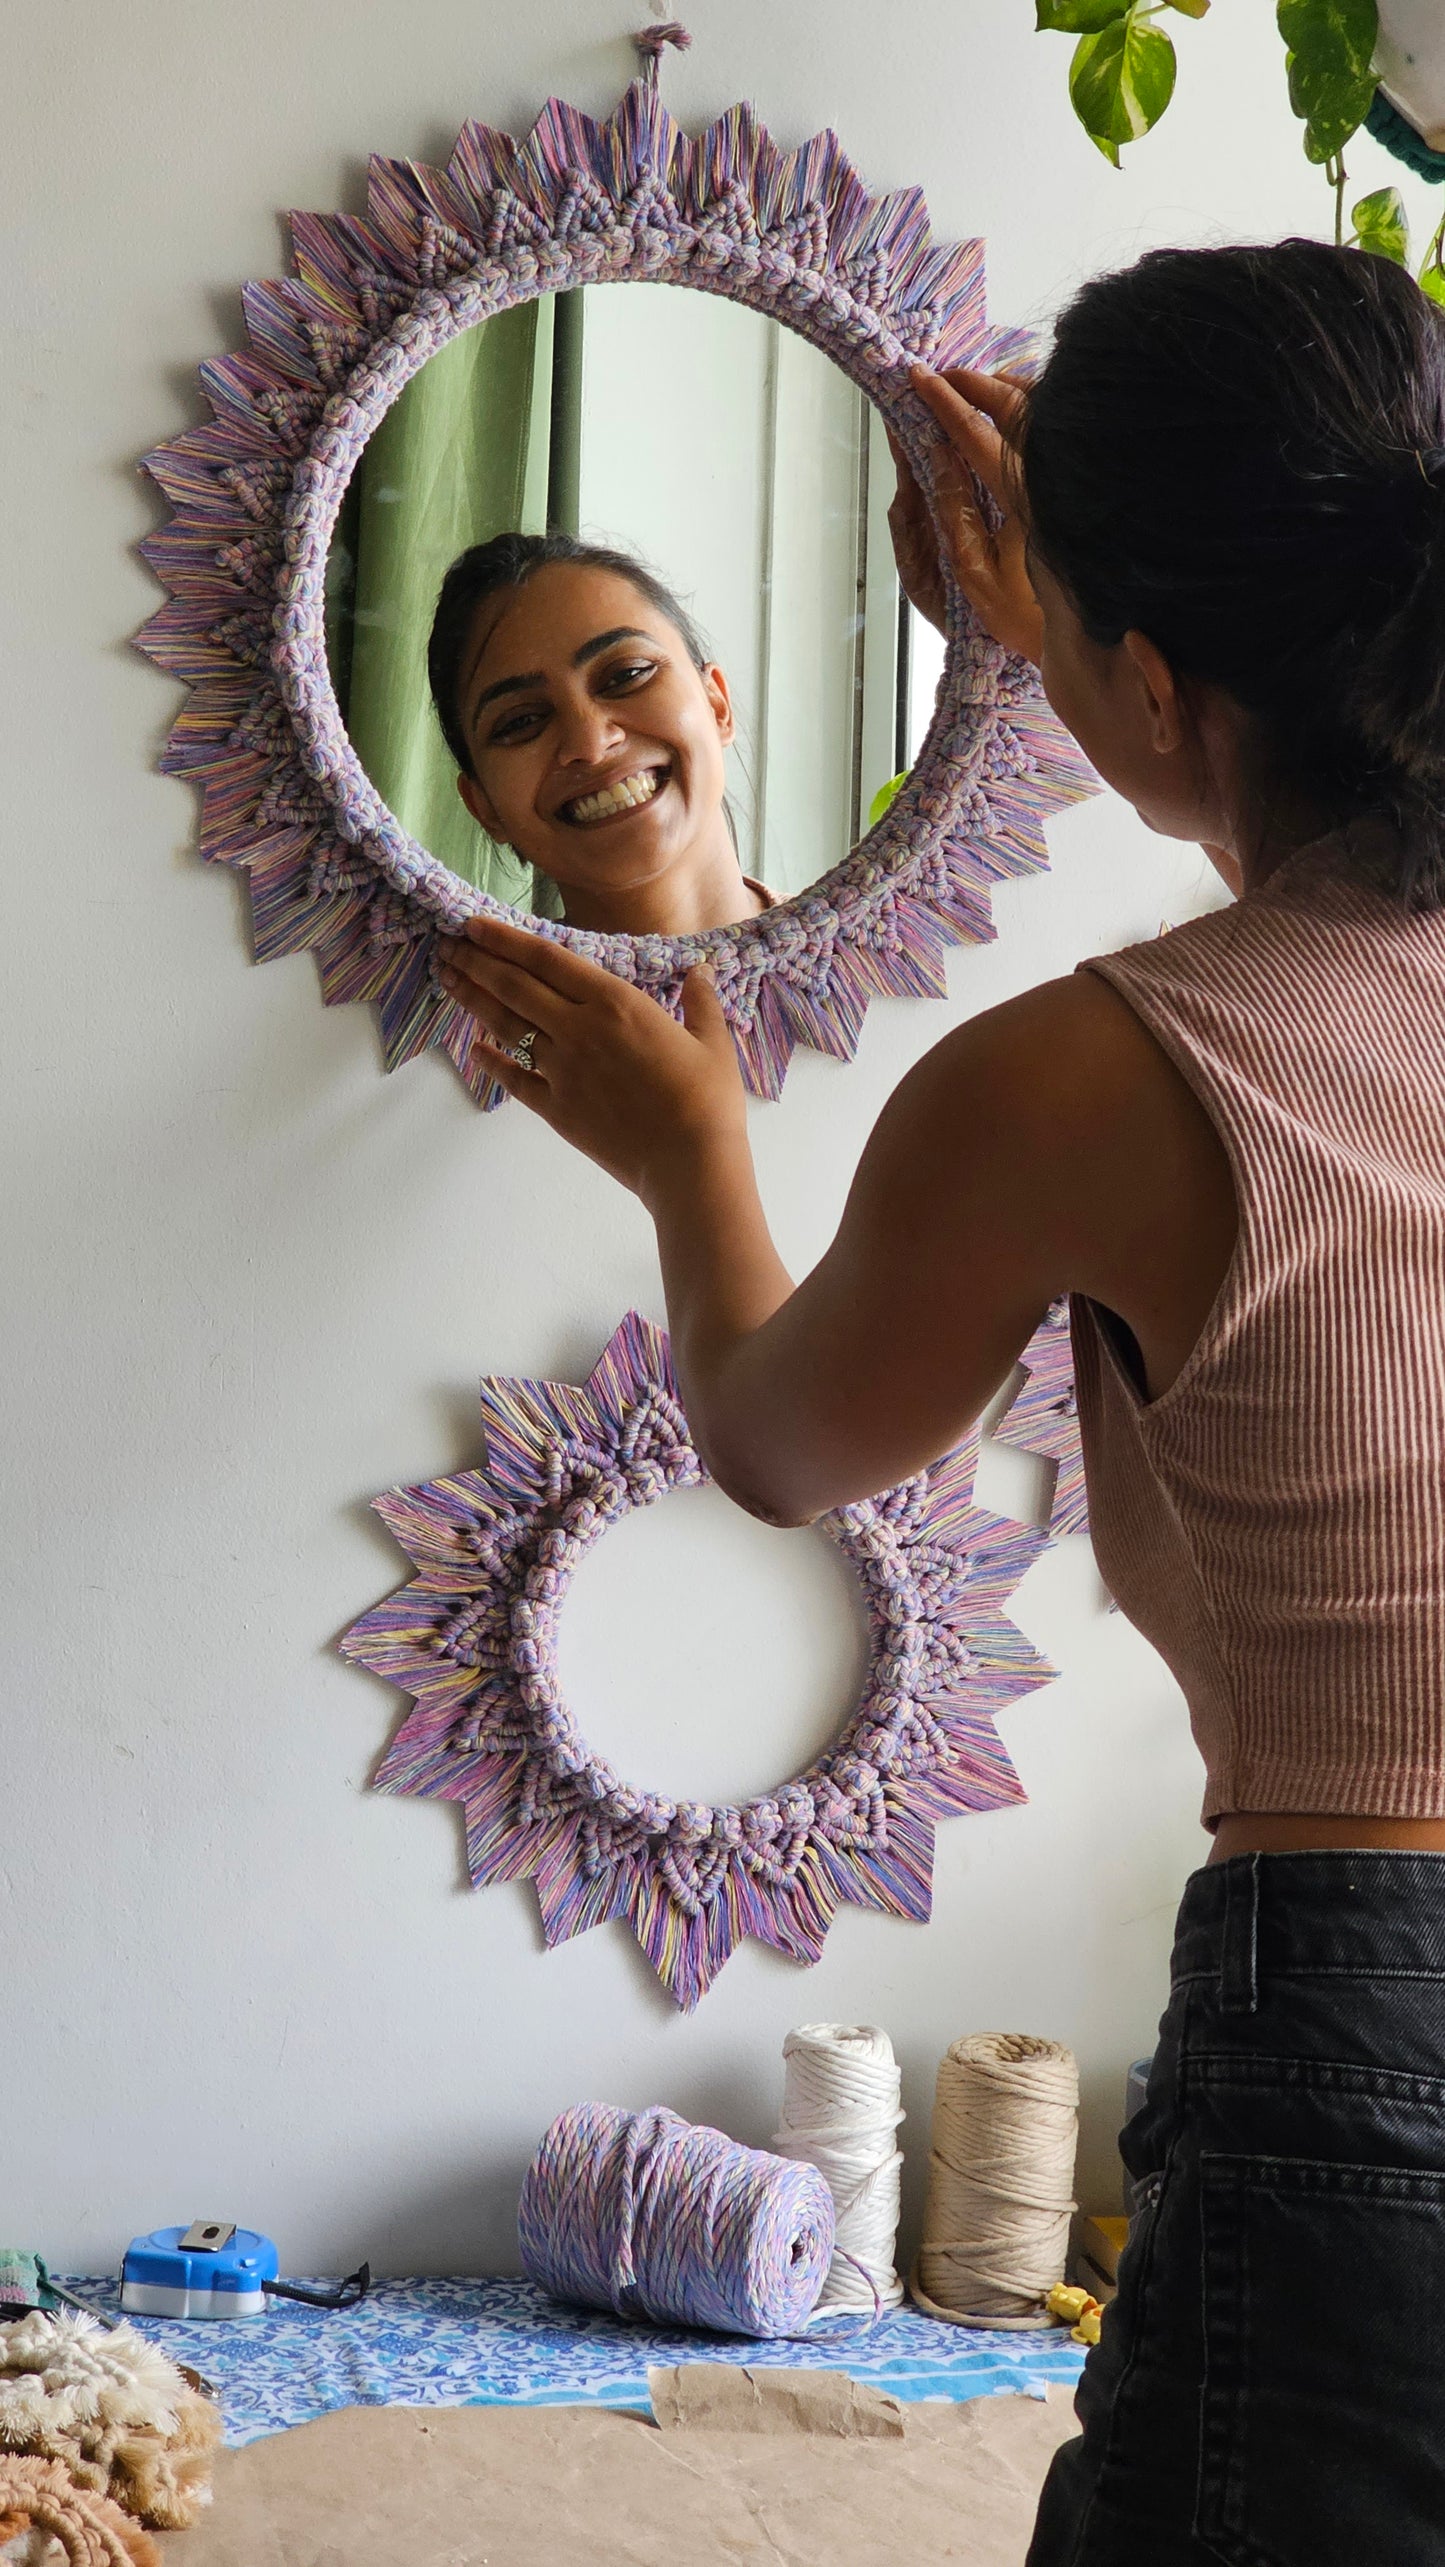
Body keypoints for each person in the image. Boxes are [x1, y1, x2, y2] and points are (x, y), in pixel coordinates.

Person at [436, 239, 1445, 2557]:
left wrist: (697, 1149)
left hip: (1368, 2004)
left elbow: (783, 1441)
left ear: (1154, 678)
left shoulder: (1077, 1079)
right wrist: (1089, 643)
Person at [427, 531, 774, 935]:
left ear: (717, 704)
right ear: (483, 805)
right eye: (521, 721)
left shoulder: (864, 980)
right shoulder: (412, 999)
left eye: (627, 675)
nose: (590, 744)